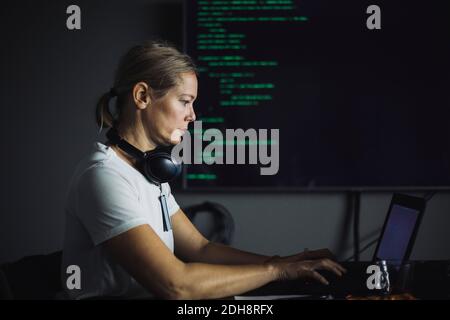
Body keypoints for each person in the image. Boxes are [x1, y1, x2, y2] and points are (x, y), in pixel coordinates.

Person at [61, 40, 345, 300]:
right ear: (143, 96)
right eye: (185, 101)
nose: (193, 115)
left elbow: (200, 249)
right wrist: (276, 272)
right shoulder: (103, 176)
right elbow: (176, 285)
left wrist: (285, 262)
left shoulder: (146, 171)